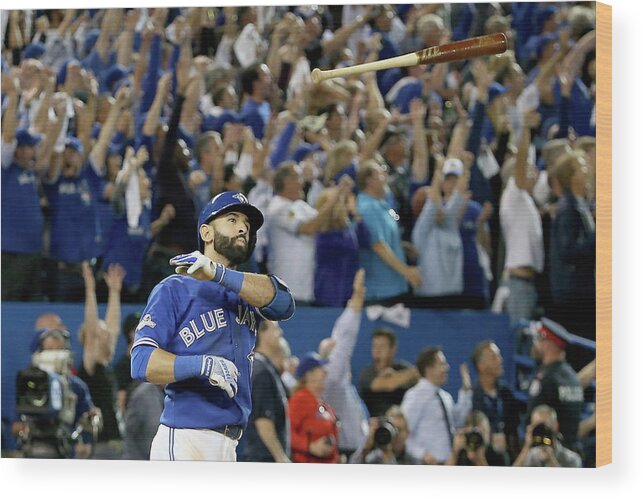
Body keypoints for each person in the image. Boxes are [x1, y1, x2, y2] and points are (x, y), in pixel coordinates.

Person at [130, 191, 295, 461]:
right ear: (206, 233)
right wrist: (202, 365)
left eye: (246, 224)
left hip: (229, 443)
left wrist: (217, 273)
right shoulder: (175, 287)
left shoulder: (245, 291)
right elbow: (141, 362)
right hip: (184, 436)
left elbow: (284, 303)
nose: (243, 227)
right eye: (232, 219)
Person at [265, 162, 339, 304]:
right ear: (287, 182)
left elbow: (323, 224)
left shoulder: (301, 205)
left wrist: (336, 198)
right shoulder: (277, 207)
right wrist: (332, 200)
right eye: (298, 177)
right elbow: (308, 228)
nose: (302, 182)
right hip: (288, 286)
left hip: (307, 285)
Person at [548, 150, 596, 370]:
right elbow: (568, 252)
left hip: (580, 296)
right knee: (581, 354)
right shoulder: (568, 209)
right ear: (572, 176)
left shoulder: (579, 204)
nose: (588, 172)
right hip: (575, 299)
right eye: (582, 168)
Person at [498, 111, 545, 324]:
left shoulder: (525, 199)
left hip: (528, 282)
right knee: (516, 341)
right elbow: (520, 161)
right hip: (517, 283)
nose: (534, 172)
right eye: (528, 169)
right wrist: (526, 130)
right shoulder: (513, 193)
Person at [318, 269, 369, 459]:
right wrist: (355, 304)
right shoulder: (332, 383)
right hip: (344, 456)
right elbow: (344, 340)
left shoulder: (344, 386)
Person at [77, 261, 125, 459]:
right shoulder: (90, 366)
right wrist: (90, 289)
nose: (106, 334)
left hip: (115, 441)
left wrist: (114, 292)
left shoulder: (105, 365)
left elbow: (113, 328)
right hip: (98, 445)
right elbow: (92, 331)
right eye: (100, 333)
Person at [356, 161, 421, 304]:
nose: (385, 175)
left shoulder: (383, 206)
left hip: (393, 286)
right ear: (369, 181)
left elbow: (383, 239)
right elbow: (378, 245)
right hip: (380, 290)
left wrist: (401, 246)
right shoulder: (367, 207)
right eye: (380, 172)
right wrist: (407, 272)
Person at [401, 347, 473, 464]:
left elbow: (458, 421)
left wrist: (465, 391)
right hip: (426, 466)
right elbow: (404, 433)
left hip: (449, 463)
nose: (447, 368)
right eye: (442, 364)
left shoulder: (445, 397)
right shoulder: (415, 396)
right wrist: (422, 454)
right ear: (429, 369)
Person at [527, 318, 583, 450]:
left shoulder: (546, 379)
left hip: (548, 451)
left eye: (538, 340)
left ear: (548, 344)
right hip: (571, 451)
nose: (534, 344)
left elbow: (534, 420)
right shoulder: (572, 378)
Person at [241, 320, 291, 463]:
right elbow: (263, 420)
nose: (280, 333)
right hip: (264, 460)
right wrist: (281, 457)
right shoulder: (262, 371)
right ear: (262, 334)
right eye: (275, 329)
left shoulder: (265, 368)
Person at [471, 340, 524, 461]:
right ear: (481, 365)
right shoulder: (472, 396)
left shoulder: (506, 393)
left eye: (499, 355)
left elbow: (514, 427)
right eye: (494, 357)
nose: (500, 360)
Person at [288, 352, 339, 464]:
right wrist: (310, 446)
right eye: (321, 368)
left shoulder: (323, 403)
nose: (325, 372)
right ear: (309, 375)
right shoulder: (299, 399)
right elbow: (288, 433)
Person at [358, 327, 419, 418]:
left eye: (382, 347)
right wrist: (401, 378)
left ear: (393, 350)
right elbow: (388, 384)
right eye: (374, 346)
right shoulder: (367, 373)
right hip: (375, 427)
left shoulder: (402, 368)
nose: (377, 351)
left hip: (403, 424)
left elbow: (420, 376)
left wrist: (396, 375)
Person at [513, 404, 582, 467]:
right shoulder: (531, 456)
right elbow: (511, 477)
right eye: (536, 426)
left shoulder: (572, 459)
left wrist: (551, 460)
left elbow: (569, 480)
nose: (540, 431)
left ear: (555, 426)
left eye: (543, 426)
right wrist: (527, 446)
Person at [349, 405, 415, 465]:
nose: (395, 434)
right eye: (392, 428)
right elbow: (351, 467)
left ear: (407, 434)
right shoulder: (375, 457)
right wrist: (366, 447)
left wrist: (388, 457)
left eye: (399, 430)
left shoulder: (414, 461)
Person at [445, 410, 510, 466]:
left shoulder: (498, 455)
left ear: (489, 431)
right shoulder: (460, 454)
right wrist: (454, 452)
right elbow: (443, 477)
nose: (477, 438)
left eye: (482, 431)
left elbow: (498, 480)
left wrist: (480, 460)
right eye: (473, 434)